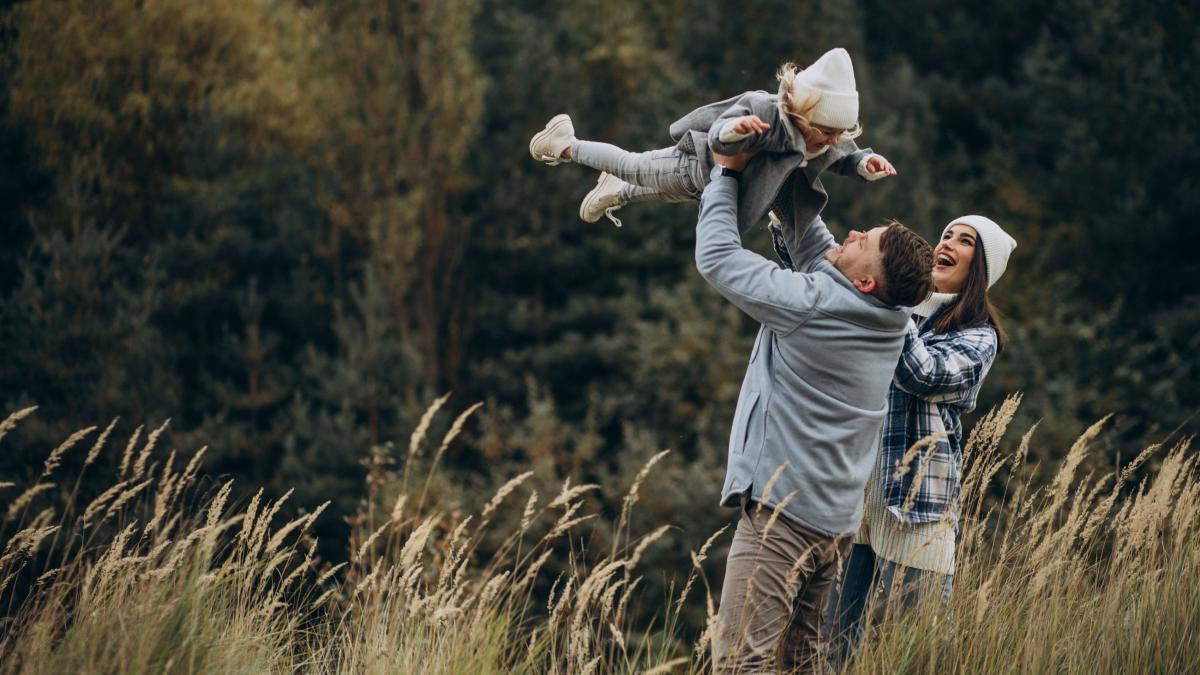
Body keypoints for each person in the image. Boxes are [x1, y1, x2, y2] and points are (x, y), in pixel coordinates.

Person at [694, 149, 934, 673]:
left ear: (865, 281)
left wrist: (728, 172)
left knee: (742, 664)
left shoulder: (815, 305)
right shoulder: (889, 318)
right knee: (799, 663)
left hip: (782, 520)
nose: (849, 235)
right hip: (834, 527)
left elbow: (716, 259)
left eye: (862, 243)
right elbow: (809, 236)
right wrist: (800, 155)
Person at [821, 215, 1017, 666]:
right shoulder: (894, 308)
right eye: (947, 234)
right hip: (856, 505)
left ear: (981, 268)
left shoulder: (976, 334)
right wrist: (787, 210)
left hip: (916, 512)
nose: (947, 243)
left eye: (965, 241)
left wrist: (897, 297)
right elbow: (835, 275)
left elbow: (923, 375)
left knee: (923, 652)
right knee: (830, 650)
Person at [528, 47, 896, 229]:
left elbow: (843, 153)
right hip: (696, 164)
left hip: (715, 187)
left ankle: (615, 190)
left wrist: (863, 163)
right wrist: (733, 132)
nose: (833, 141)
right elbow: (722, 135)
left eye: (840, 133)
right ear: (804, 113)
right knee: (633, 165)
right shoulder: (764, 110)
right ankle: (566, 144)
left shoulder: (823, 140)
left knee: (664, 194)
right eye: (827, 131)